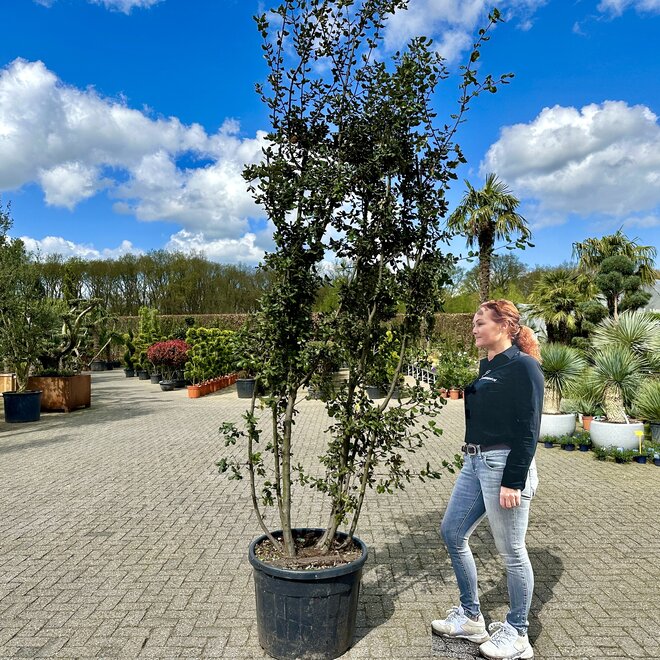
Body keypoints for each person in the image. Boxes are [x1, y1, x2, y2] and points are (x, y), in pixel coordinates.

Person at [431, 299, 544, 660]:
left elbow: (528, 429)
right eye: (474, 323)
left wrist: (514, 480)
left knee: (511, 551)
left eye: (481, 322)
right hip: (474, 462)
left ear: (505, 326)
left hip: (504, 465)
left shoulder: (524, 367)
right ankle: (470, 616)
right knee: (452, 532)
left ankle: (518, 633)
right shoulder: (487, 366)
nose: (474, 328)